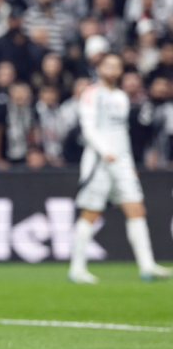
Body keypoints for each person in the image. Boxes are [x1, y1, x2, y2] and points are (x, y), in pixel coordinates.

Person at [68, 53, 172, 284]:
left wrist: (128, 162)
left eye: (117, 66)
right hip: (100, 162)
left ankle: (147, 266)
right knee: (91, 213)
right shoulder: (92, 93)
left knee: (136, 209)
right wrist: (105, 151)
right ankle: (77, 268)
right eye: (109, 65)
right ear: (99, 68)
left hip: (122, 163)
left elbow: (122, 134)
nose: (113, 70)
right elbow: (88, 128)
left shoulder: (121, 97)